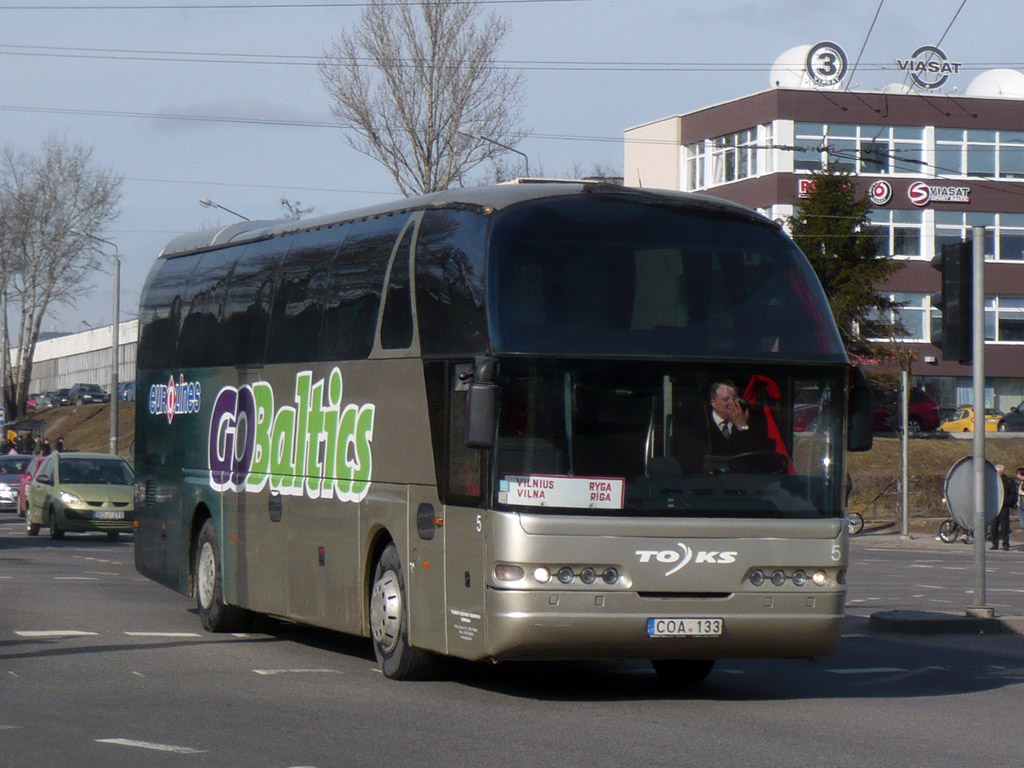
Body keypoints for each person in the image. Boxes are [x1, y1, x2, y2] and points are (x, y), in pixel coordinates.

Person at [992, 464, 1015, 551]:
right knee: (994, 526)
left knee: (1005, 526)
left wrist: (1008, 503)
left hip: (1004, 506)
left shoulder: (1008, 481)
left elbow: (1012, 494)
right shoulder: (993, 481)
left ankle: (1005, 543)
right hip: (994, 506)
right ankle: (994, 543)